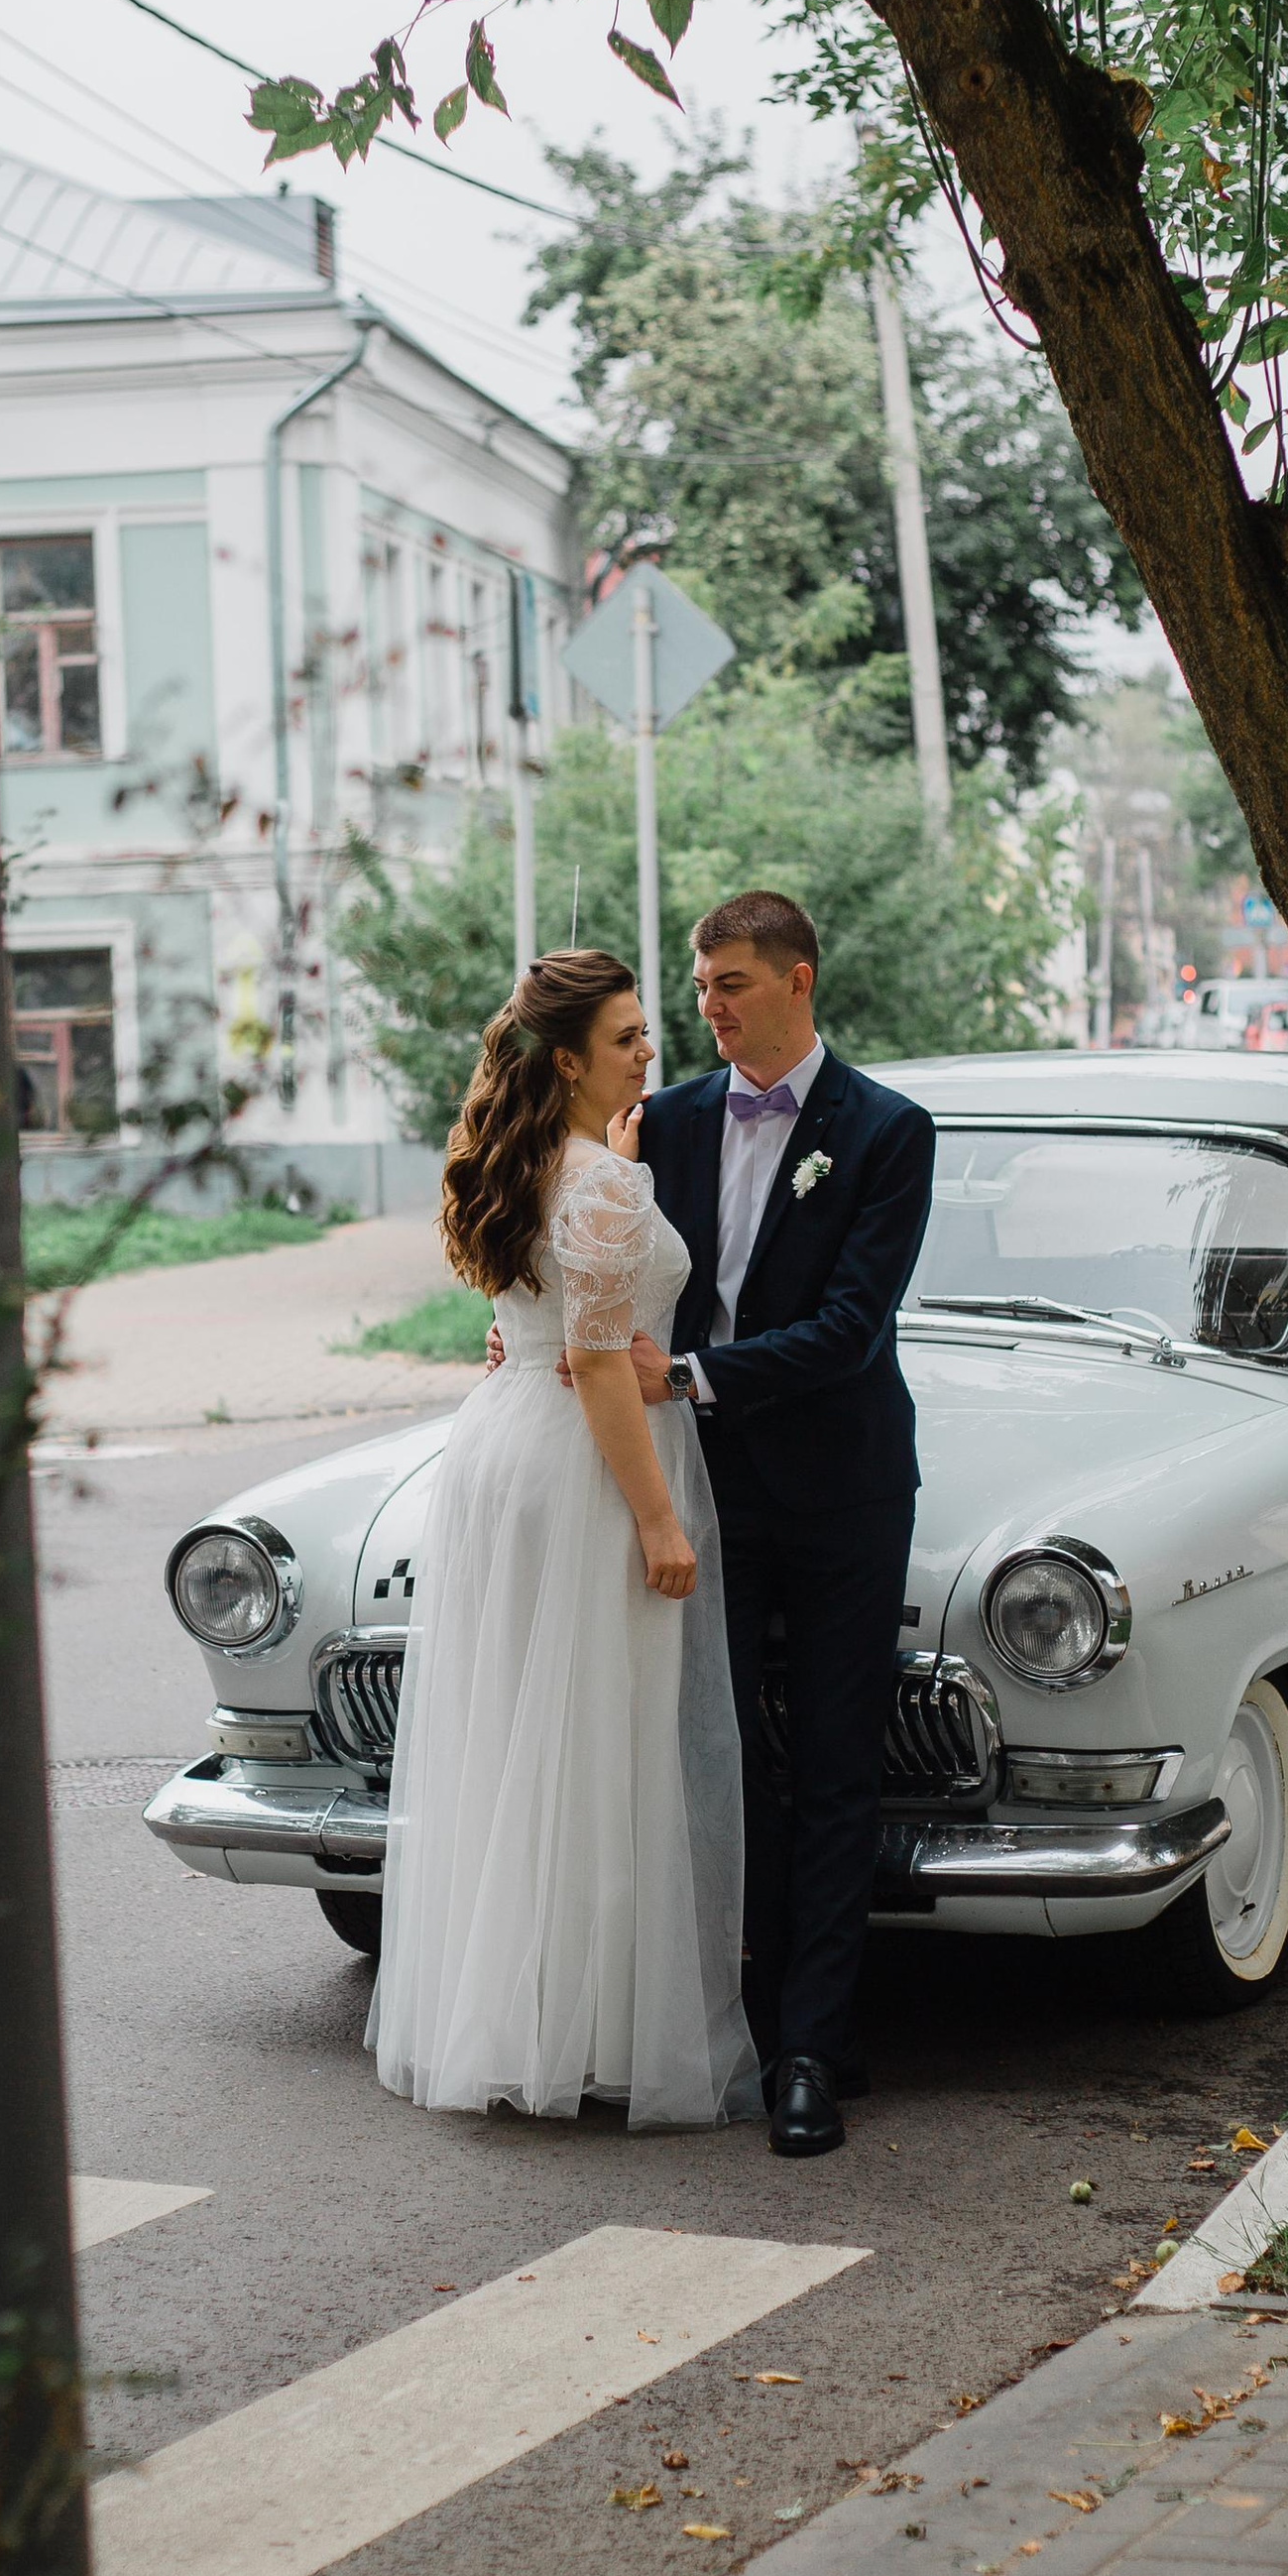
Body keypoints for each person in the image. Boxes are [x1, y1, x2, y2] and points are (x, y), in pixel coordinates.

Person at [369, 950, 760, 2132]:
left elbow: (551, 1319)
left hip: (504, 1449)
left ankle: (519, 2014)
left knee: (526, 1736)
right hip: (589, 1464)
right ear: (567, 1059)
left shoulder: (537, 1163)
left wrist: (622, 1175)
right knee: (604, 1737)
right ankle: (587, 2034)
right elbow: (597, 1361)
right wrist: (656, 1517)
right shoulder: (597, 1186)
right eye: (629, 1037)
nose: (652, 1050)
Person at [632, 894, 936, 2159]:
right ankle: (747, 2029)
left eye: (736, 983)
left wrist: (690, 1377)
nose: (712, 1004)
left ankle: (813, 2052)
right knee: (720, 1759)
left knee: (830, 1768)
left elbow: (850, 1329)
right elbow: (614, 1265)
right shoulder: (668, 1121)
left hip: (845, 1491)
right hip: (703, 1489)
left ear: (799, 980)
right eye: (703, 984)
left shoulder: (885, 1131)